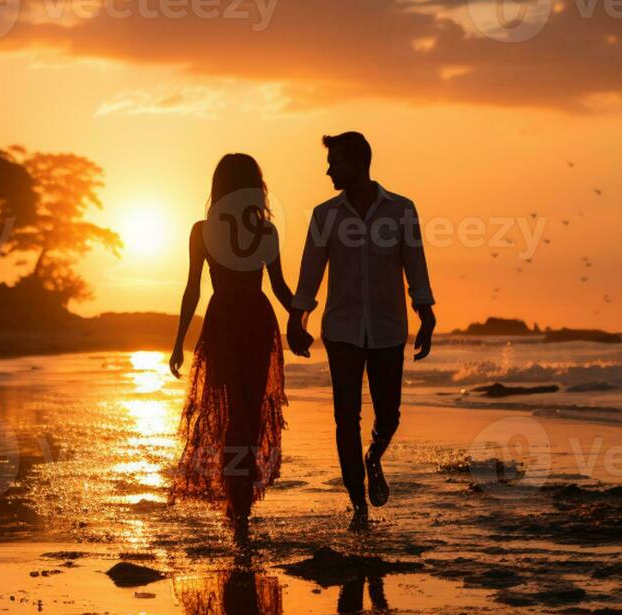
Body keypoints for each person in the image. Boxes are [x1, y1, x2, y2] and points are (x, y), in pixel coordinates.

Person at [286, 132, 437, 530]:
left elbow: (415, 265)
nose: (329, 169)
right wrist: (296, 318)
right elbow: (310, 272)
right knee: (344, 418)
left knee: (389, 414)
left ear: (358, 163)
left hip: (388, 329)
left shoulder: (401, 210)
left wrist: (426, 313)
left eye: (335, 162)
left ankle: (374, 456)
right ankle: (358, 506)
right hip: (341, 331)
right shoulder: (325, 215)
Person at [168, 153, 298, 545]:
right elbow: (279, 289)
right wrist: (300, 317)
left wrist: (178, 343)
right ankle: (240, 507)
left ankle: (238, 506)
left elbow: (193, 288)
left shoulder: (202, 229)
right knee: (247, 416)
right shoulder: (266, 231)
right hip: (256, 320)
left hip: (224, 319)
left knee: (230, 416)